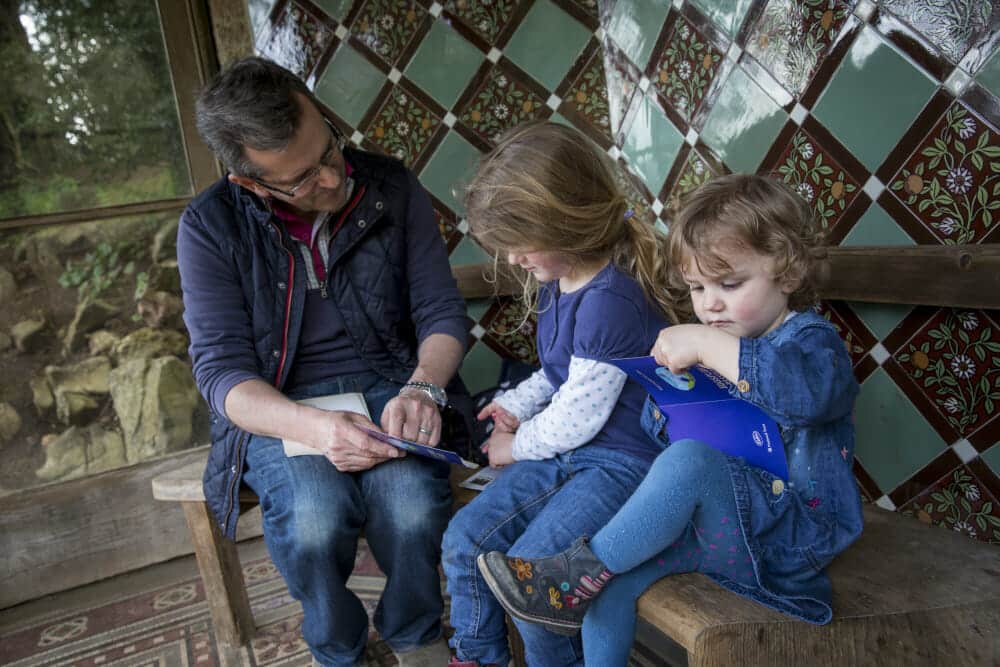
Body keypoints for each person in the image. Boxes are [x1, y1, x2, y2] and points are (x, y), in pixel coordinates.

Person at [476, 174, 864, 664]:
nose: (710, 304)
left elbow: (805, 398)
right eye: (698, 287)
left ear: (786, 273)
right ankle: (585, 580)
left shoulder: (811, 341)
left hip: (788, 540)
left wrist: (710, 345)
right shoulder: (713, 342)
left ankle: (574, 574)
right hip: (724, 529)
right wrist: (670, 397)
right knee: (609, 590)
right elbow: (660, 430)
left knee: (689, 462)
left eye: (730, 283)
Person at [176, 56, 469, 667]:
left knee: (412, 509)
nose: (334, 181)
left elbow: (442, 313)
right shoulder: (209, 227)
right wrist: (316, 428)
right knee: (312, 519)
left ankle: (415, 633)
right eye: (303, 180)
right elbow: (222, 375)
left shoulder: (389, 185)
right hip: (281, 403)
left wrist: (423, 389)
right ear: (249, 183)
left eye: (330, 152)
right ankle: (338, 648)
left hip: (391, 378)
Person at [441, 121, 682, 667]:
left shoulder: (611, 299)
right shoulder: (559, 283)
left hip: (620, 465)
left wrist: (514, 444)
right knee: (464, 539)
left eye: (519, 245)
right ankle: (477, 656)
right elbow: (558, 375)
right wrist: (516, 405)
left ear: (563, 223)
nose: (514, 260)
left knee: (534, 584)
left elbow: (578, 417)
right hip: (570, 458)